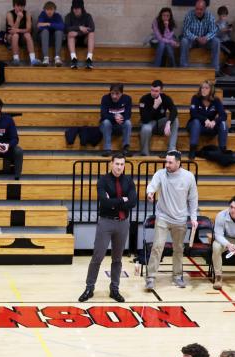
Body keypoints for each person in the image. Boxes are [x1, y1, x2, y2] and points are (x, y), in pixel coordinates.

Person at [80, 153, 135, 303]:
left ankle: (114, 289)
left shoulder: (129, 181)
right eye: (117, 164)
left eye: (122, 164)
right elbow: (104, 202)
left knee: (117, 258)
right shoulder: (103, 180)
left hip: (123, 223)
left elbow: (133, 202)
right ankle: (89, 287)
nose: (119, 167)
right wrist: (122, 200)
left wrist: (114, 201)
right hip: (106, 222)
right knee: (97, 256)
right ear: (111, 164)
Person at [145, 150, 199, 290]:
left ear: (178, 163)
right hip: (162, 216)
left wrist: (193, 218)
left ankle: (177, 276)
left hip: (180, 219)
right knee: (157, 247)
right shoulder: (160, 174)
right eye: (166, 161)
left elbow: (193, 199)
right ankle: (150, 277)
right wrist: (150, 192)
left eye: (170, 162)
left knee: (178, 249)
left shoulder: (188, 177)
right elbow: (152, 185)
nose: (167, 164)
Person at [188, 79, 227, 159]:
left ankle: (222, 150)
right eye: (202, 88)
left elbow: (223, 115)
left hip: (211, 127)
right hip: (196, 126)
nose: (204, 90)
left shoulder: (216, 100)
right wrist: (205, 119)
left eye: (206, 88)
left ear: (211, 90)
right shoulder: (195, 98)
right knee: (196, 121)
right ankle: (192, 149)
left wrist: (214, 122)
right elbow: (193, 114)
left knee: (223, 123)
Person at [138, 79, 179, 157]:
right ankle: (145, 153)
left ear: (161, 91)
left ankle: (171, 150)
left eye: (156, 91)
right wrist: (154, 107)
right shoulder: (144, 99)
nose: (153, 93)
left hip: (160, 124)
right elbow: (144, 119)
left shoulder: (165, 98)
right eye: (152, 90)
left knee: (175, 120)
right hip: (148, 123)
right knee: (146, 128)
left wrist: (168, 122)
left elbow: (174, 110)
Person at [180, 0, 221, 74]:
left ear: (205, 9)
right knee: (184, 41)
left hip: (205, 41)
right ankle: (184, 67)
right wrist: (196, 38)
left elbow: (213, 31)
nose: (198, 11)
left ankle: (215, 70)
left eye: (201, 9)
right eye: (197, 9)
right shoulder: (189, 15)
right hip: (193, 40)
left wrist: (206, 38)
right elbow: (185, 31)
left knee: (216, 41)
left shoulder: (210, 16)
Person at [99, 83, 133, 156]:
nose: (114, 96)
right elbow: (103, 115)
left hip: (120, 124)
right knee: (106, 122)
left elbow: (128, 114)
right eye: (112, 93)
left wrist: (121, 117)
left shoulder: (127, 99)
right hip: (107, 126)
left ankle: (125, 148)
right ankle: (107, 149)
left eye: (117, 94)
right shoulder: (105, 98)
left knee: (128, 123)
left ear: (121, 93)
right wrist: (115, 117)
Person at [65, 0, 95, 69]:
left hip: (85, 40)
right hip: (73, 40)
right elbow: (66, 28)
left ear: (82, 8)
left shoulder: (87, 16)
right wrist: (79, 27)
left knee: (91, 34)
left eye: (78, 8)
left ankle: (89, 59)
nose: (76, 10)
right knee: (70, 34)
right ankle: (73, 59)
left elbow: (92, 28)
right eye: (74, 8)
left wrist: (78, 33)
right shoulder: (68, 16)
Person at [6, 0, 36, 66]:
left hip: (23, 37)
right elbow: (12, 31)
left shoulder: (27, 13)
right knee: (15, 35)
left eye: (22, 6)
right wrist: (18, 19)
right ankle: (16, 59)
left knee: (27, 34)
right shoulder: (9, 14)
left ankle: (33, 59)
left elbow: (29, 30)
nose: (20, 8)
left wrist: (18, 30)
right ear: (14, 6)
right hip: (11, 37)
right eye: (18, 5)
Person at [37, 1, 65, 66]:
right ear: (44, 10)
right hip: (43, 39)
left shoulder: (57, 16)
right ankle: (45, 57)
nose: (49, 12)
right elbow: (39, 26)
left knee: (59, 32)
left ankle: (57, 57)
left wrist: (48, 24)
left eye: (51, 9)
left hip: (54, 40)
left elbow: (62, 27)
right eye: (47, 9)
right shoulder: (42, 15)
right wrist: (53, 25)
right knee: (45, 31)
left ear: (54, 10)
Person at [216, 5, 235, 69]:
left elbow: (229, 35)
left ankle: (229, 61)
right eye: (222, 16)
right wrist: (222, 31)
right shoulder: (216, 24)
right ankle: (227, 64)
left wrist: (229, 30)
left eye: (225, 16)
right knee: (228, 51)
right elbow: (216, 35)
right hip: (221, 42)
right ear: (219, 15)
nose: (224, 17)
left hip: (227, 40)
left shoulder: (226, 23)